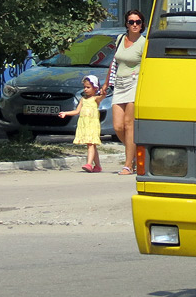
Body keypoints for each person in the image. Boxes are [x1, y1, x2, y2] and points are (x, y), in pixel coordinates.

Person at [108, 9, 145, 175]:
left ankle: (128, 164)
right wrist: (106, 84)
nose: (135, 25)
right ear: (126, 24)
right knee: (118, 126)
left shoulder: (144, 42)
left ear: (142, 24)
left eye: (137, 22)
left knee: (129, 125)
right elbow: (114, 62)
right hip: (119, 84)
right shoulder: (120, 39)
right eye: (131, 22)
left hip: (134, 84)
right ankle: (135, 154)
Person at [59, 75, 105, 173]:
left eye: (88, 87)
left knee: (90, 144)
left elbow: (102, 96)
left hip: (92, 125)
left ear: (95, 88)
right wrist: (66, 113)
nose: (85, 89)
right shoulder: (83, 100)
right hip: (84, 125)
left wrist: (103, 92)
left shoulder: (96, 99)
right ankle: (97, 166)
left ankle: (89, 164)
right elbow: (77, 111)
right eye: (84, 87)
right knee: (92, 145)